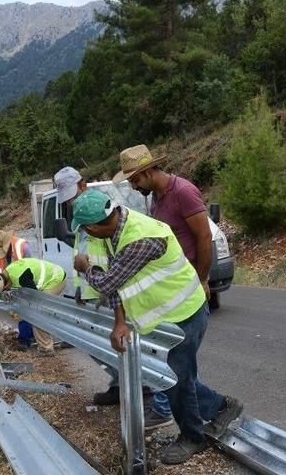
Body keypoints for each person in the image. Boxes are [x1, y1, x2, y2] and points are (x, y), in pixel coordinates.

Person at [72, 190, 242, 465]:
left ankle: (193, 437)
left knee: (175, 378)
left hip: (185, 312)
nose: (84, 234)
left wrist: (84, 267)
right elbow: (116, 283)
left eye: (84, 229)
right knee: (174, 377)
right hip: (163, 319)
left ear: (92, 227)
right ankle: (222, 407)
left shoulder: (141, 238)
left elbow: (107, 282)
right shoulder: (111, 233)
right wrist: (119, 322)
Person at [54, 166, 175, 430]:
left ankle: (150, 393)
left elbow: (110, 270)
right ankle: (121, 385)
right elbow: (81, 253)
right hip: (96, 290)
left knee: (141, 350)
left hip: (110, 290)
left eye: (72, 195)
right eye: (67, 200)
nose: (71, 202)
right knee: (98, 347)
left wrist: (104, 293)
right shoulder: (83, 217)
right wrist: (81, 288)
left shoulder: (102, 214)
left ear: (82, 185)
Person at [114, 144, 213, 301]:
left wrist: (202, 279)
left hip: (190, 278)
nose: (133, 187)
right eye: (130, 182)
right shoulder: (155, 195)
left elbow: (205, 236)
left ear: (148, 172)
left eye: (135, 180)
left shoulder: (183, 191)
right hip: (172, 279)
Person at [0, 230, 52, 353]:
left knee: (27, 308)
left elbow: (31, 267)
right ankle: (28, 336)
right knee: (16, 311)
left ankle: (25, 339)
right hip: (4, 283)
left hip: (24, 281)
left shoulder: (22, 246)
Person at [0, 257, 66, 354]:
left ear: (6, 285)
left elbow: (34, 299)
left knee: (38, 313)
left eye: (6, 289)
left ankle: (46, 349)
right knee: (40, 311)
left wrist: (19, 312)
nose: (7, 290)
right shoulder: (6, 272)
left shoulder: (22, 277)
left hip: (56, 279)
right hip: (53, 274)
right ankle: (65, 336)